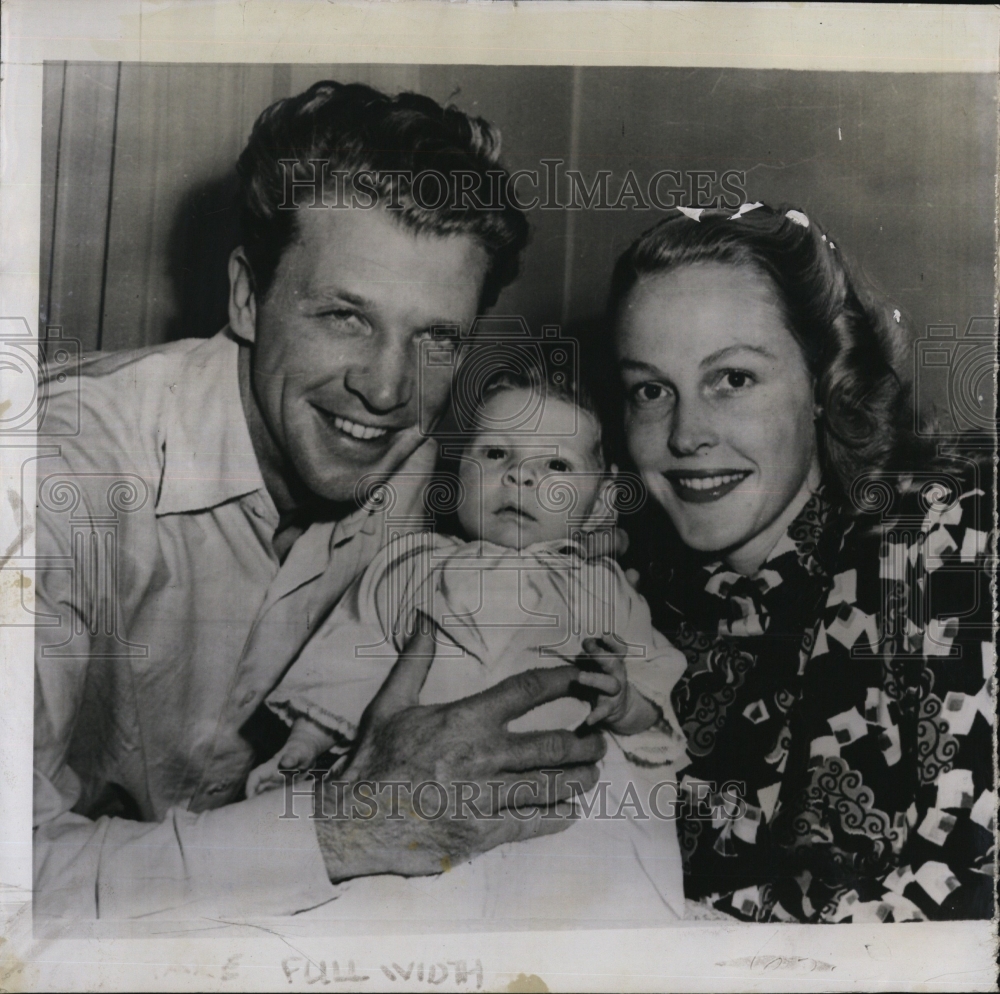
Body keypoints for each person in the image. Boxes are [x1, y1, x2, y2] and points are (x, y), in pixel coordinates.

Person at [32, 80, 606, 920]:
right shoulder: (54, 479)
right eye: (345, 316)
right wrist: (339, 828)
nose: (386, 388)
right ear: (245, 299)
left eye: (436, 337)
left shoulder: (430, 478)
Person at [609, 203, 995, 923]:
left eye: (733, 379)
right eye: (651, 390)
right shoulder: (646, 624)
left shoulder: (938, 539)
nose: (687, 434)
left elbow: (967, 889)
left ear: (824, 382)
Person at [246, 370, 689, 922]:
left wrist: (623, 702)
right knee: (390, 916)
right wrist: (307, 739)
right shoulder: (411, 564)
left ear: (601, 497)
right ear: (459, 472)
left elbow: (655, 695)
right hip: (422, 799)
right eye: (497, 452)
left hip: (562, 813)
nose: (521, 478)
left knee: (581, 912)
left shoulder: (604, 589)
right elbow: (352, 653)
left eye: (556, 465)